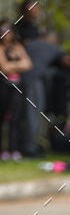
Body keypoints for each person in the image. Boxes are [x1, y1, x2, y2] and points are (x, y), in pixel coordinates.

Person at [0, 20, 33, 160]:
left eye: (8, 30)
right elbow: (4, 68)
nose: (5, 33)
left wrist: (11, 65)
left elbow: (28, 64)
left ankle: (14, 149)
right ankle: (3, 150)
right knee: (2, 118)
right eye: (2, 30)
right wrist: (18, 64)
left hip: (17, 87)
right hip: (3, 86)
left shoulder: (17, 46)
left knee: (16, 118)